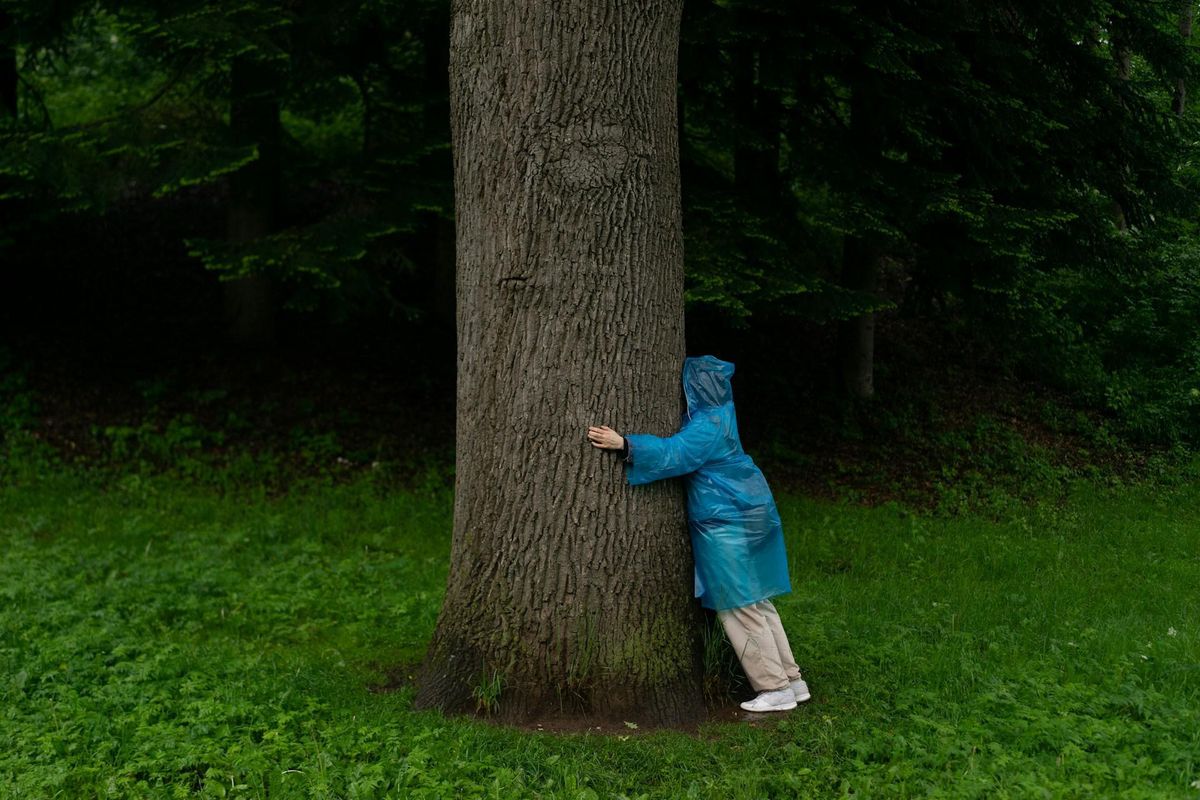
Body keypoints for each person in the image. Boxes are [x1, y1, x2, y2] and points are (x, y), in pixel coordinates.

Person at [587, 355, 810, 713]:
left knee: (736, 604)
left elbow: (677, 453)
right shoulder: (723, 416)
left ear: (695, 389)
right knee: (757, 601)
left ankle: (774, 688)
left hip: (726, 521)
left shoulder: (707, 424)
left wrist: (626, 445)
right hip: (746, 512)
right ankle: (792, 681)